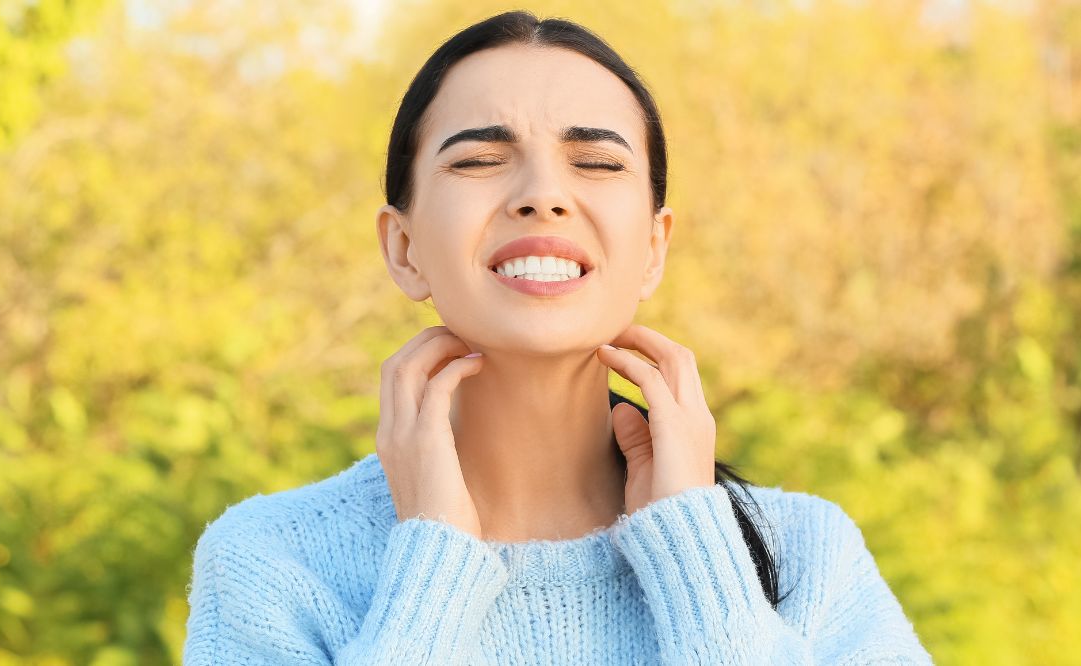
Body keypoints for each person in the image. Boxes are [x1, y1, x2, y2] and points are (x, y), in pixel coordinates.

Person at [183, 10, 933, 665]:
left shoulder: (807, 555)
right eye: (478, 160)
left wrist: (698, 562)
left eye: (597, 163)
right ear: (402, 247)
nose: (542, 194)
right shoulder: (270, 561)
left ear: (653, 247)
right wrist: (433, 566)